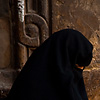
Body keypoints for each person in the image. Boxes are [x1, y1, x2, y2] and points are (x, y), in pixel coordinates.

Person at [6, 29, 93, 100]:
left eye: (82, 68)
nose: (79, 71)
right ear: (60, 60)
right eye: (76, 66)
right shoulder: (31, 88)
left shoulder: (65, 81)